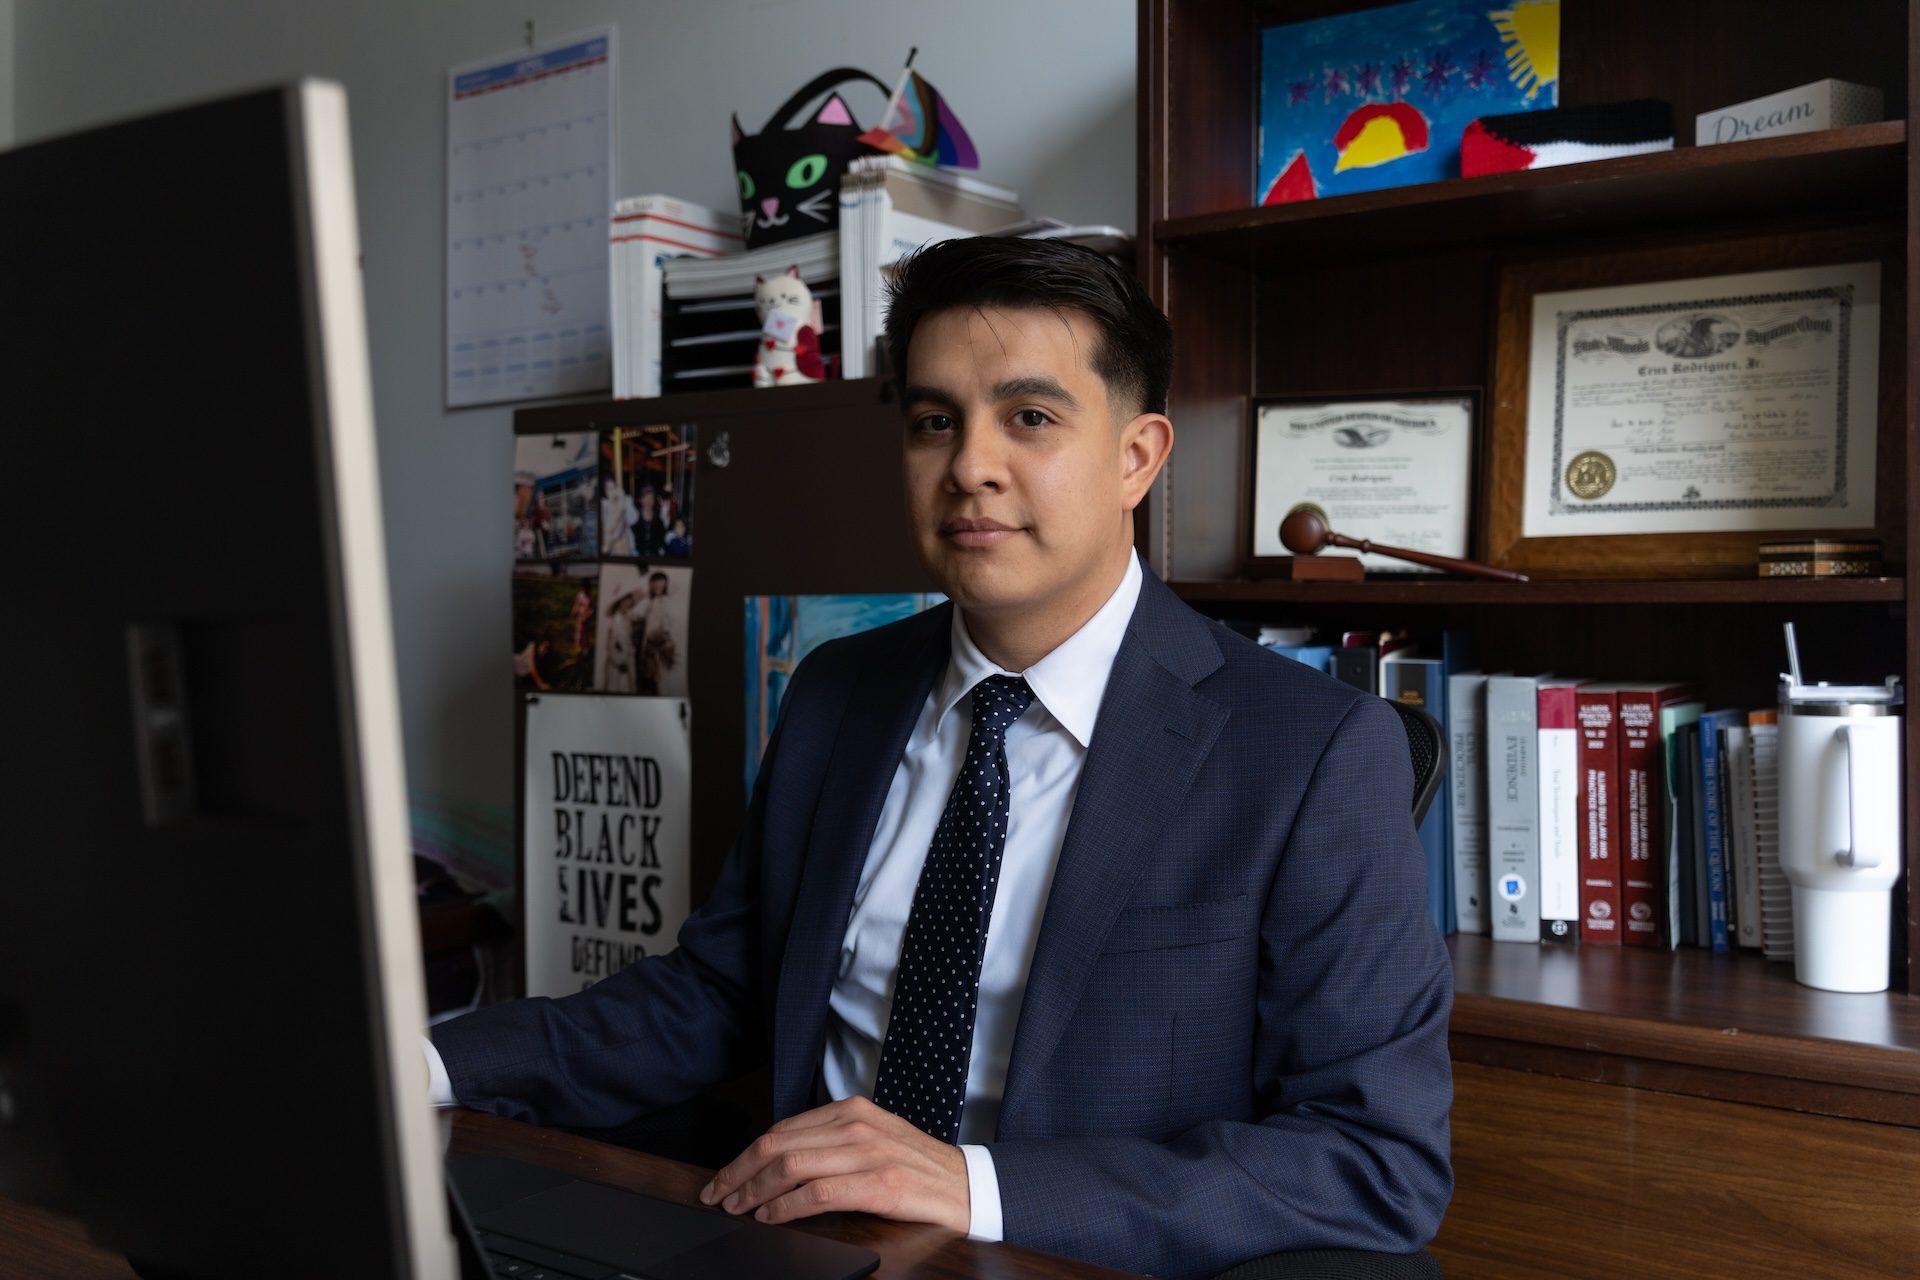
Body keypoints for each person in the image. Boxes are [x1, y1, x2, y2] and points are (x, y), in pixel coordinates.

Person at [430, 237, 1452, 1278]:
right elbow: (722, 992)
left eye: (1030, 418)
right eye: (934, 422)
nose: (969, 465)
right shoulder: (837, 691)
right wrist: (419, 1061)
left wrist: (974, 1184)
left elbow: (1374, 1159)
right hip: (810, 1244)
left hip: (1058, 1254)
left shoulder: (1311, 751)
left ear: (1138, 456)